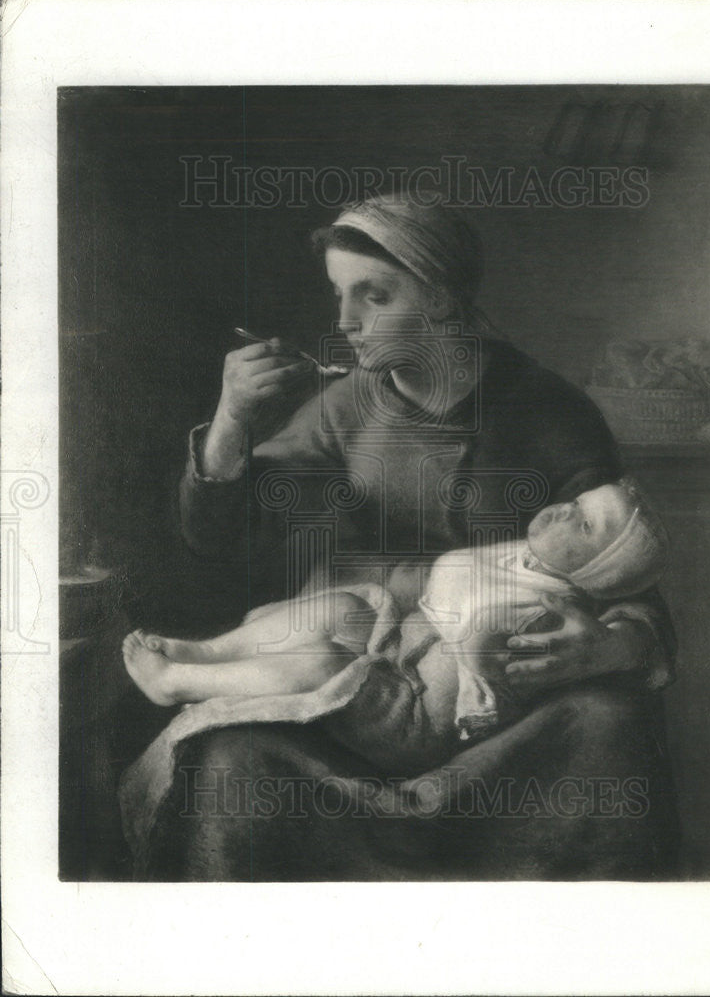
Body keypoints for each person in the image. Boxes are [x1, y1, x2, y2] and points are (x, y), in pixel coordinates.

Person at [123, 195, 680, 880]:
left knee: (607, 722)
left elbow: (627, 571)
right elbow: (220, 538)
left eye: (374, 296)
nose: (345, 322)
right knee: (231, 754)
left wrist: (609, 644)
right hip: (363, 667)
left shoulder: (547, 412)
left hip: (487, 698)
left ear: (445, 299)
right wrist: (233, 421)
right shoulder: (345, 405)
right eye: (339, 295)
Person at [123, 477, 668, 760]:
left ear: (597, 568)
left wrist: (473, 638)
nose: (567, 508)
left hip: (412, 713)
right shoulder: (523, 556)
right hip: (402, 645)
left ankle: (177, 681)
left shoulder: (552, 611)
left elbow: (482, 658)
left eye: (587, 525)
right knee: (342, 607)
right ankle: (210, 650)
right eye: (578, 499)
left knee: (319, 660)